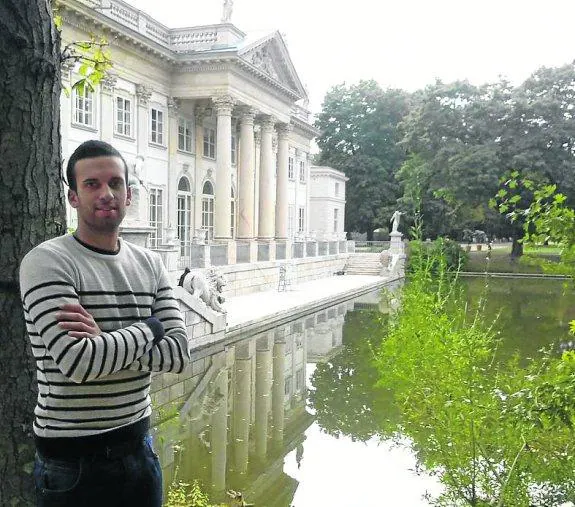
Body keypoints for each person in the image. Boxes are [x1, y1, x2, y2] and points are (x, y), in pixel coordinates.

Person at [19, 140, 191, 507]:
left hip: (139, 451)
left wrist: (105, 342)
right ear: (73, 197)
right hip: (71, 464)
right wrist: (151, 329)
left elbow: (178, 355)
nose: (106, 193)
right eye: (92, 184)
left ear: (129, 194)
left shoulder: (150, 264)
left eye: (115, 183)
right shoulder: (47, 262)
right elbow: (78, 363)